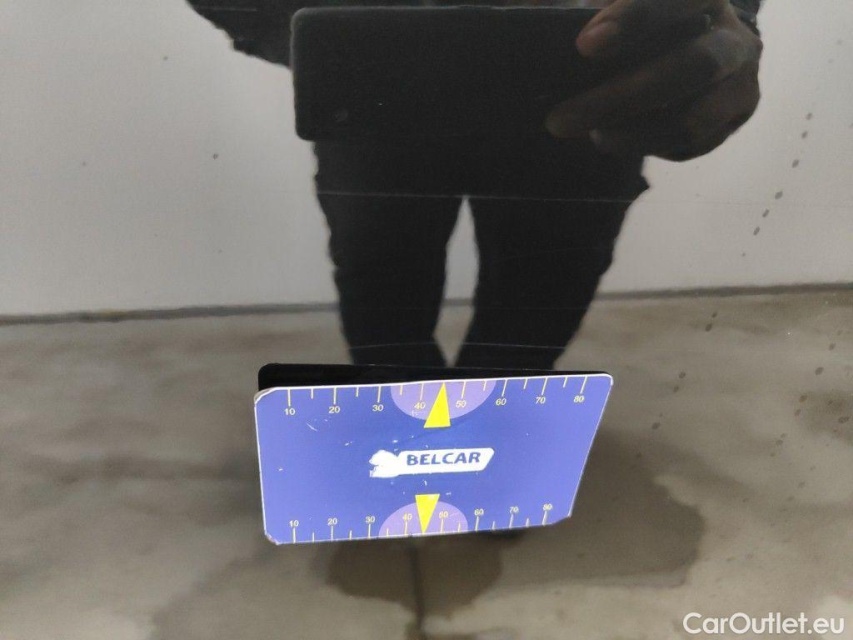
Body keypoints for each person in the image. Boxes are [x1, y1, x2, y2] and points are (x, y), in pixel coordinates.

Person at [190, 0, 763, 369]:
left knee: (530, 291)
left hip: (559, 81)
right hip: (548, 73)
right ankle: (444, 442)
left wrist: (331, 37)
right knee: (391, 285)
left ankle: (464, 446)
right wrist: (323, 37)